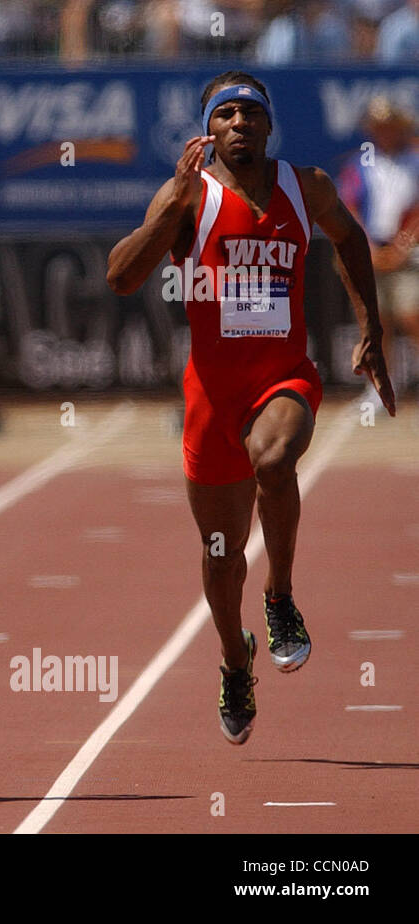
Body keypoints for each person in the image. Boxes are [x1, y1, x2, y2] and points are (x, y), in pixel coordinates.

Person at [106, 71, 395, 745]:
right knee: (219, 554)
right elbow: (121, 277)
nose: (239, 123)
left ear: (269, 126)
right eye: (225, 114)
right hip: (211, 398)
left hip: (283, 378)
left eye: (250, 113)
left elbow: (350, 239)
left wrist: (370, 330)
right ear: (211, 130)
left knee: (276, 456)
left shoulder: (307, 186)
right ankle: (236, 660)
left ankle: (281, 597)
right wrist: (173, 202)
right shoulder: (189, 196)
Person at [338, 96, 419, 394]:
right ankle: (384, 385)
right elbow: (350, 206)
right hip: (371, 251)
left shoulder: (415, 160)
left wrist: (403, 247)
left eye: (390, 126)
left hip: (410, 253)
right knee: (376, 322)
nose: (384, 132)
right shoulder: (360, 163)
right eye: (379, 127)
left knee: (413, 316)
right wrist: (367, 247)